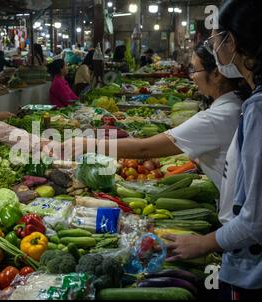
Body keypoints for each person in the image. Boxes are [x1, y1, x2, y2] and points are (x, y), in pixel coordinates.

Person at [165, 0, 262, 299]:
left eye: (215, 38)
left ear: (231, 41)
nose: (214, 47)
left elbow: (260, 217)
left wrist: (205, 243)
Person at [65, 44, 247, 195]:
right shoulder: (235, 106)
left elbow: (144, 148)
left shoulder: (215, 118)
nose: (192, 76)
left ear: (217, 74)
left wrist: (90, 144)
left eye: (194, 69)